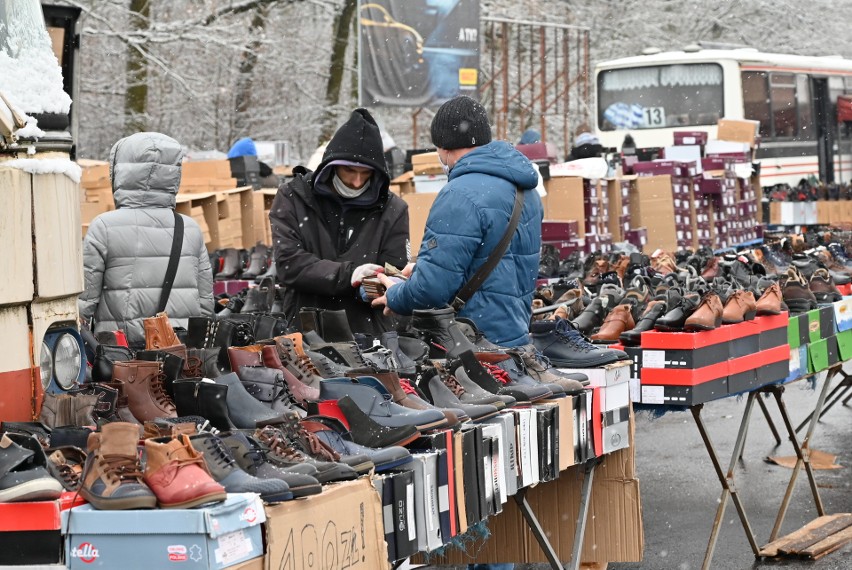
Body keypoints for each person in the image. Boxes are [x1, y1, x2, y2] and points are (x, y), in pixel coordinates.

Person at [372, 95, 542, 350]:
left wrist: (396, 294)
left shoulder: (458, 194)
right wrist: (423, 267)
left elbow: (430, 290)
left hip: (473, 344)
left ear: (442, 146)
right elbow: (499, 263)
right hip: (516, 338)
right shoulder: (526, 190)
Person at [269, 108, 409, 336]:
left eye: (366, 174)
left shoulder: (393, 210)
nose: (356, 181)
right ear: (331, 165)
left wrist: (375, 286)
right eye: (349, 171)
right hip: (305, 331)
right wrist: (349, 276)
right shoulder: (292, 197)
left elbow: (394, 269)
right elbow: (289, 264)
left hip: (369, 334)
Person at [78, 132, 214, 348]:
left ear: (120, 172)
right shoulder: (189, 229)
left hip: (124, 353)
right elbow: (205, 306)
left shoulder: (104, 227)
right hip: (180, 350)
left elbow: (84, 304)